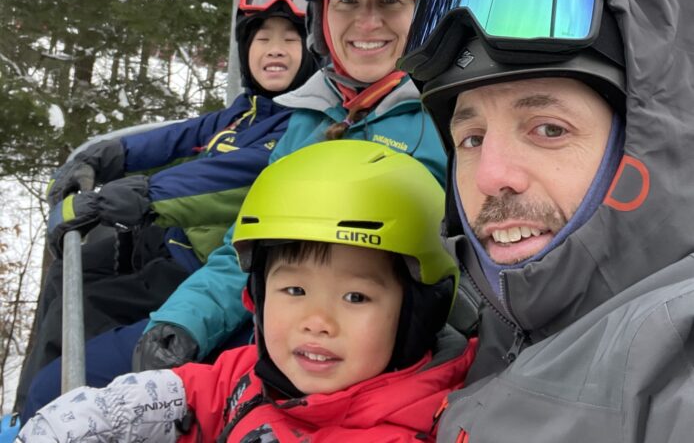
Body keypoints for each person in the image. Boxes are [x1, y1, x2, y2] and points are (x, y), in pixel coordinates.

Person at [397, 0, 694, 441]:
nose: (491, 176)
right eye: (472, 138)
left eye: (549, 129)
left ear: (650, 146)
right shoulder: (462, 336)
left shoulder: (673, 364)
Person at [132, 0, 448, 371]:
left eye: (389, 2)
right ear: (322, 16)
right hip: (288, 355)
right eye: (348, 2)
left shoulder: (450, 119)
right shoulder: (307, 120)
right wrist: (185, 320)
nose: (368, 23)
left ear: (422, 15)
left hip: (404, 370)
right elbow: (248, 243)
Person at [17, 140, 477, 442]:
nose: (317, 321)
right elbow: (205, 390)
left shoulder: (400, 430)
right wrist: (127, 409)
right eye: (294, 289)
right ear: (257, 294)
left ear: (420, 310)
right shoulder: (261, 373)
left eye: (355, 297)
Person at [17, 0, 317, 422]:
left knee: (86, 309)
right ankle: (25, 414)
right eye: (262, 39)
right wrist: (111, 154)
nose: (275, 49)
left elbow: (225, 176)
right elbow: (177, 137)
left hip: (196, 264)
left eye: (290, 40)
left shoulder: (301, 123)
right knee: (70, 275)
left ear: (311, 50)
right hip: (167, 244)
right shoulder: (244, 113)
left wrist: (138, 195)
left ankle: (56, 411)